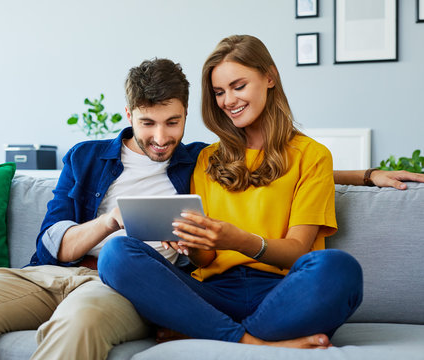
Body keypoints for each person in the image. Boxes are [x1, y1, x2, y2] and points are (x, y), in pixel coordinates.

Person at [0, 58, 207, 360]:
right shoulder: (86, 157)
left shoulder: (202, 162)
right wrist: (110, 221)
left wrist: (194, 241)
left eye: (172, 122)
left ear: (186, 114)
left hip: (121, 286)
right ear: (129, 115)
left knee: (78, 322)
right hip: (53, 275)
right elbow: (53, 245)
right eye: (148, 123)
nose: (161, 138)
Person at [97, 34, 370, 350]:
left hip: (282, 292)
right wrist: (192, 243)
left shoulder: (312, 156)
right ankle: (252, 341)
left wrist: (236, 239)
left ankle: (210, 333)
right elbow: (206, 257)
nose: (228, 100)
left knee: (339, 268)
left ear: (270, 77)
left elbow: (298, 250)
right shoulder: (207, 158)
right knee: (117, 255)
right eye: (219, 92)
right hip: (213, 294)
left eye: (238, 86)